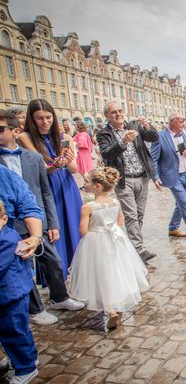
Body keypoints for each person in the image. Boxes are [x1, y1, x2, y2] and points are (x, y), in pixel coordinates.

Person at [0, 110, 84, 324]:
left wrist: (52, 222)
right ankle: (35, 310)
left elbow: (45, 191)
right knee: (23, 266)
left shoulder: (33, 158)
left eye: (1, 130)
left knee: (53, 260)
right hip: (8, 222)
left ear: (15, 131)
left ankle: (60, 297)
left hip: (35, 217)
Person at [68, 168, 149, 330]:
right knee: (117, 271)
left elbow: (83, 231)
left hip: (96, 241)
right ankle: (118, 307)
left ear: (97, 186)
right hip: (116, 239)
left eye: (87, 182)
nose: (85, 184)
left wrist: (96, 228)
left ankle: (110, 310)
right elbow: (120, 221)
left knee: (101, 274)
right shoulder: (115, 202)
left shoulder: (88, 206)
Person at [18, 99, 82, 280]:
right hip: (47, 187)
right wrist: (55, 164)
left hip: (66, 185)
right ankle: (57, 277)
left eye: (48, 118)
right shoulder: (26, 138)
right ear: (32, 119)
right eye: (40, 118)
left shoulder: (65, 138)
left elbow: (74, 169)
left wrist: (68, 160)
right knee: (54, 231)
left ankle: (75, 271)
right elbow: (42, 169)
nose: (45, 122)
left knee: (73, 227)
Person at [0, 168, 44, 384]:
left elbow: (29, 205)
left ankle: (25, 366)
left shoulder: (6, 239)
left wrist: (35, 236)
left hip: (9, 290)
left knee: (13, 328)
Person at [97, 102, 159, 262]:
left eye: (120, 111)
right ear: (107, 116)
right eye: (113, 113)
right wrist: (123, 142)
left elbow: (154, 137)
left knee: (139, 214)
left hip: (142, 176)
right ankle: (139, 250)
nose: (118, 114)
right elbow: (107, 154)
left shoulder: (134, 126)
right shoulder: (104, 134)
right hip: (123, 180)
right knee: (131, 215)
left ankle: (131, 246)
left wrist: (148, 127)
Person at [150, 112, 186, 243]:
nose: (183, 124)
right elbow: (154, 158)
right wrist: (155, 176)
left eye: (184, 121)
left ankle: (173, 227)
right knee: (184, 203)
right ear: (172, 121)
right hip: (173, 176)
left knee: (180, 204)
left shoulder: (185, 133)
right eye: (181, 121)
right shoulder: (160, 136)